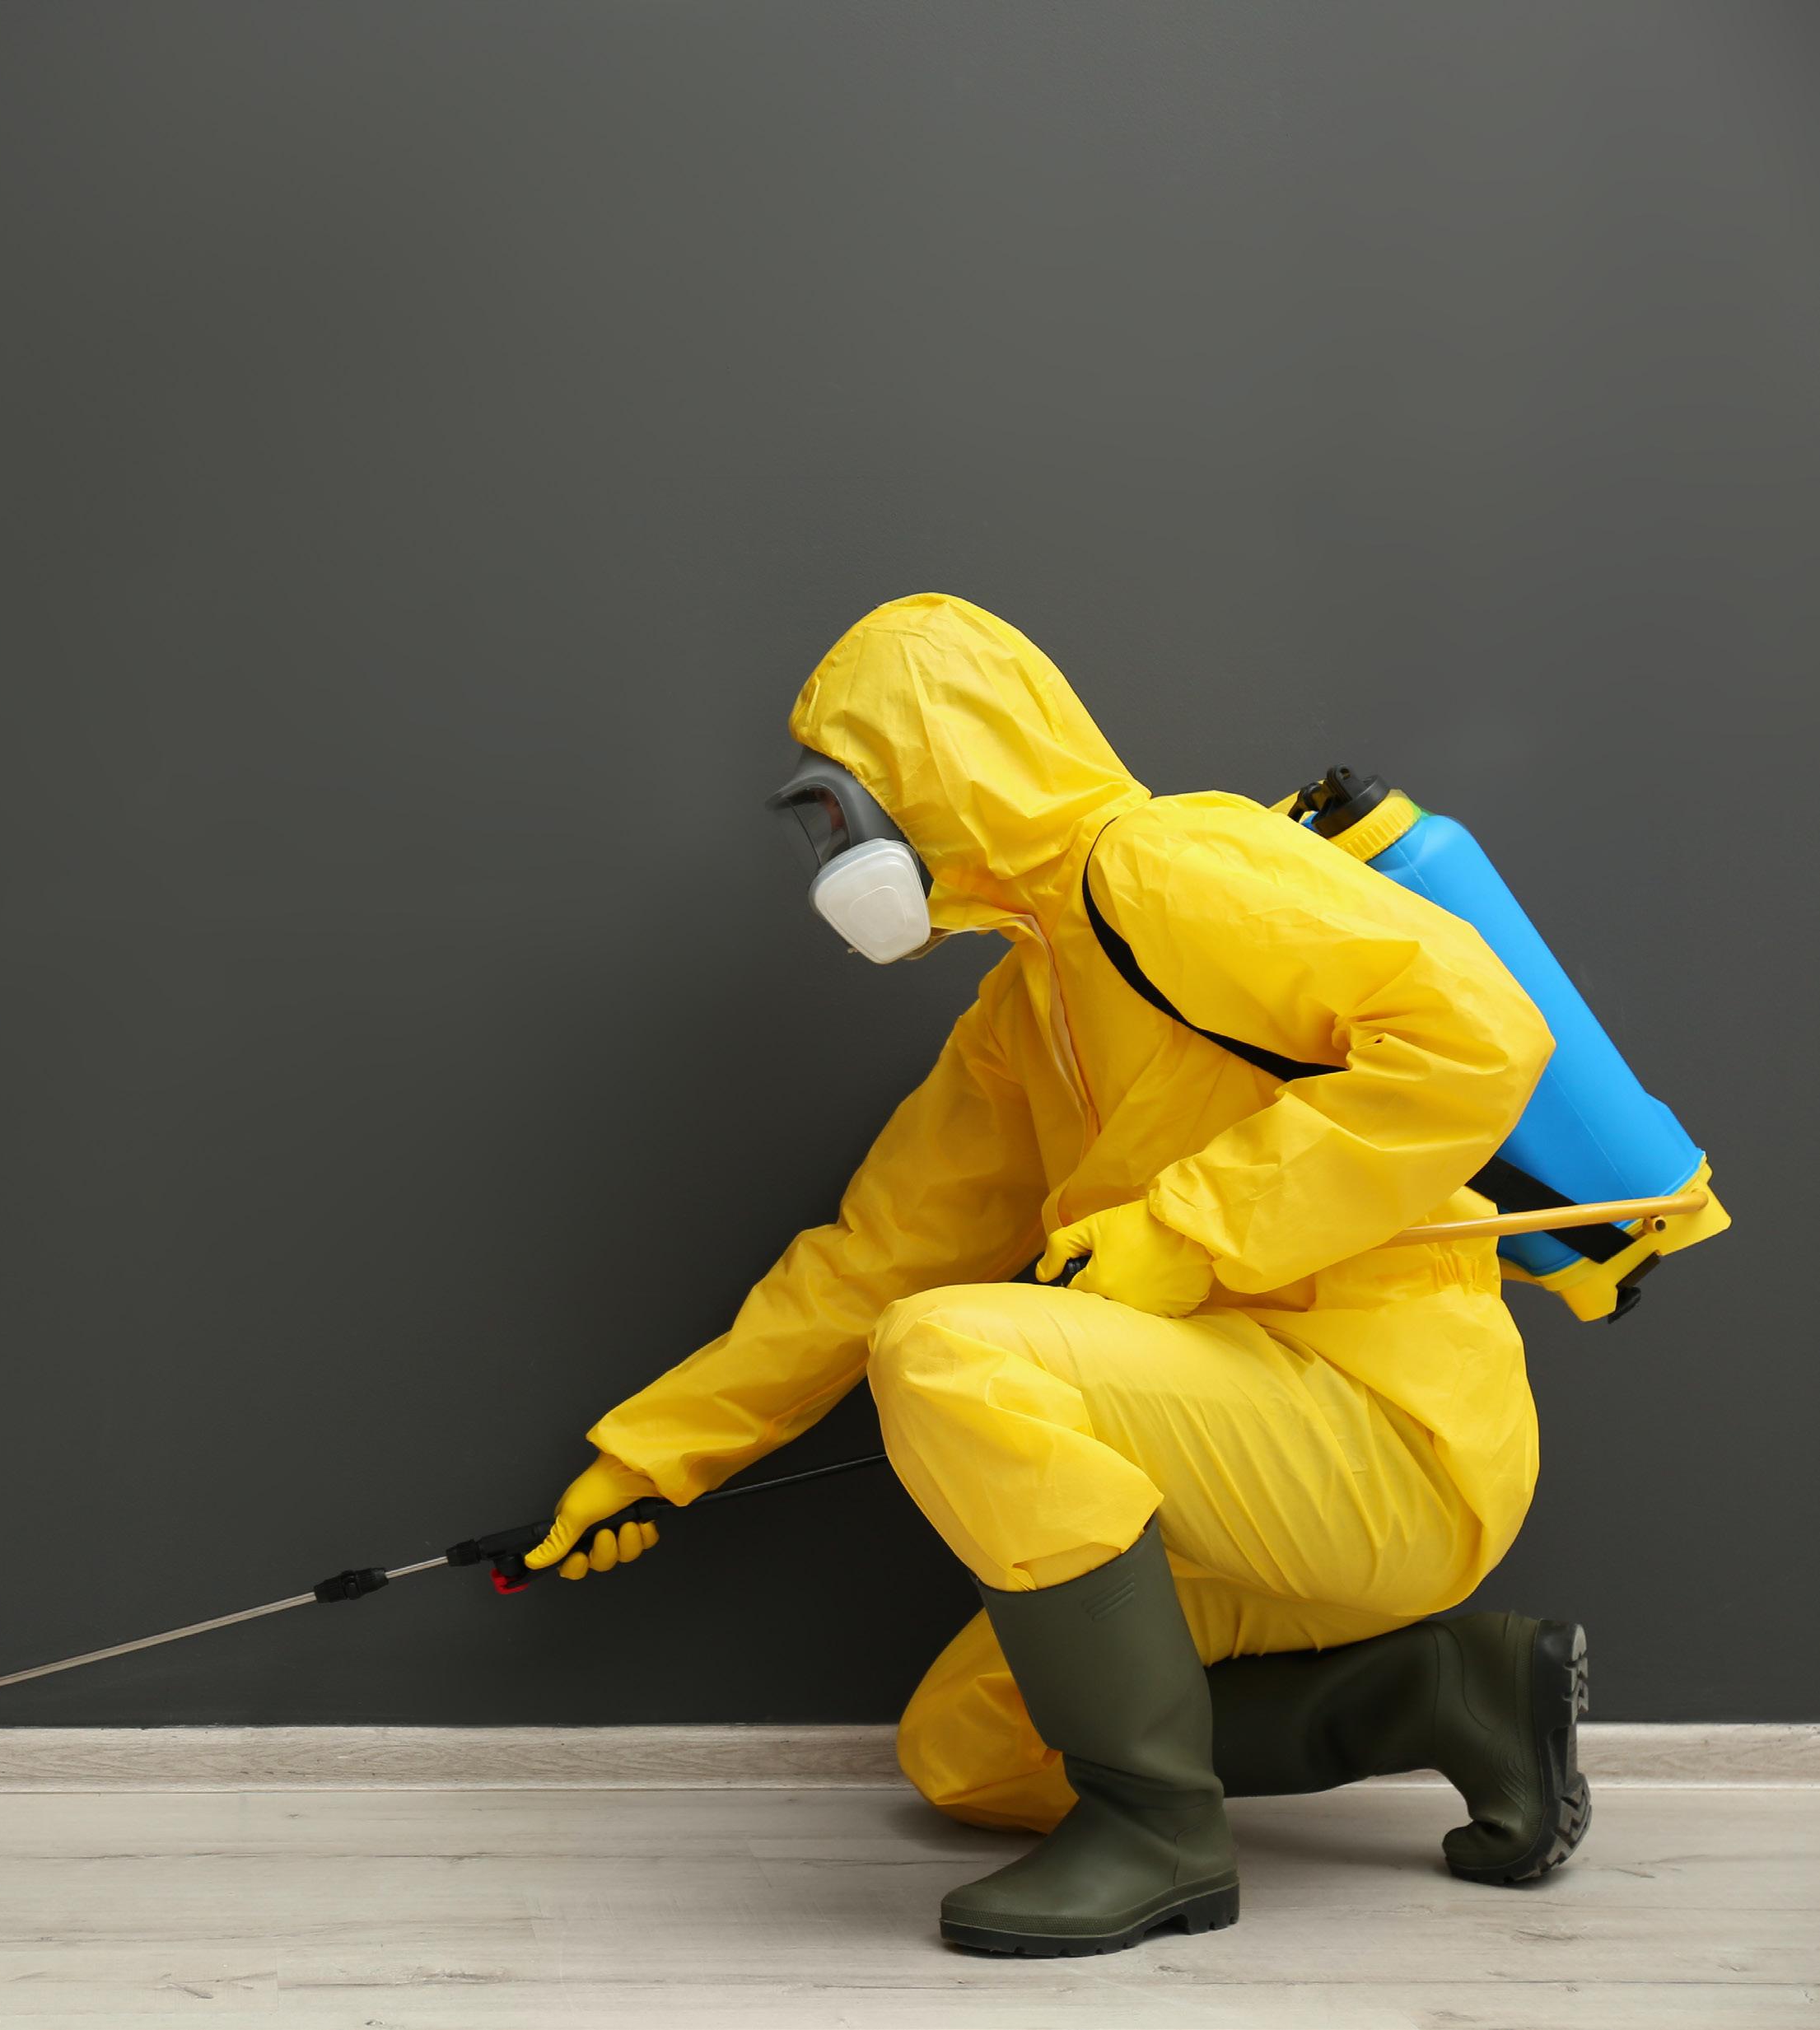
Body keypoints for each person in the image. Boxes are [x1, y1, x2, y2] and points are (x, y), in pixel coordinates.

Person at [527, 594, 1588, 1957]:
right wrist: (650, 1457)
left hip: (1385, 1433)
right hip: (1243, 1471)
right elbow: (867, 1260)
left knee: (948, 1352)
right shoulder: (1022, 1010)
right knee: (972, 1746)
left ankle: (1157, 1835)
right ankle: (1446, 1692)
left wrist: (1186, 1233)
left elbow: (1476, 1034)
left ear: (937, 765)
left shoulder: (1166, 862)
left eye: (838, 808)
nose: (833, 855)